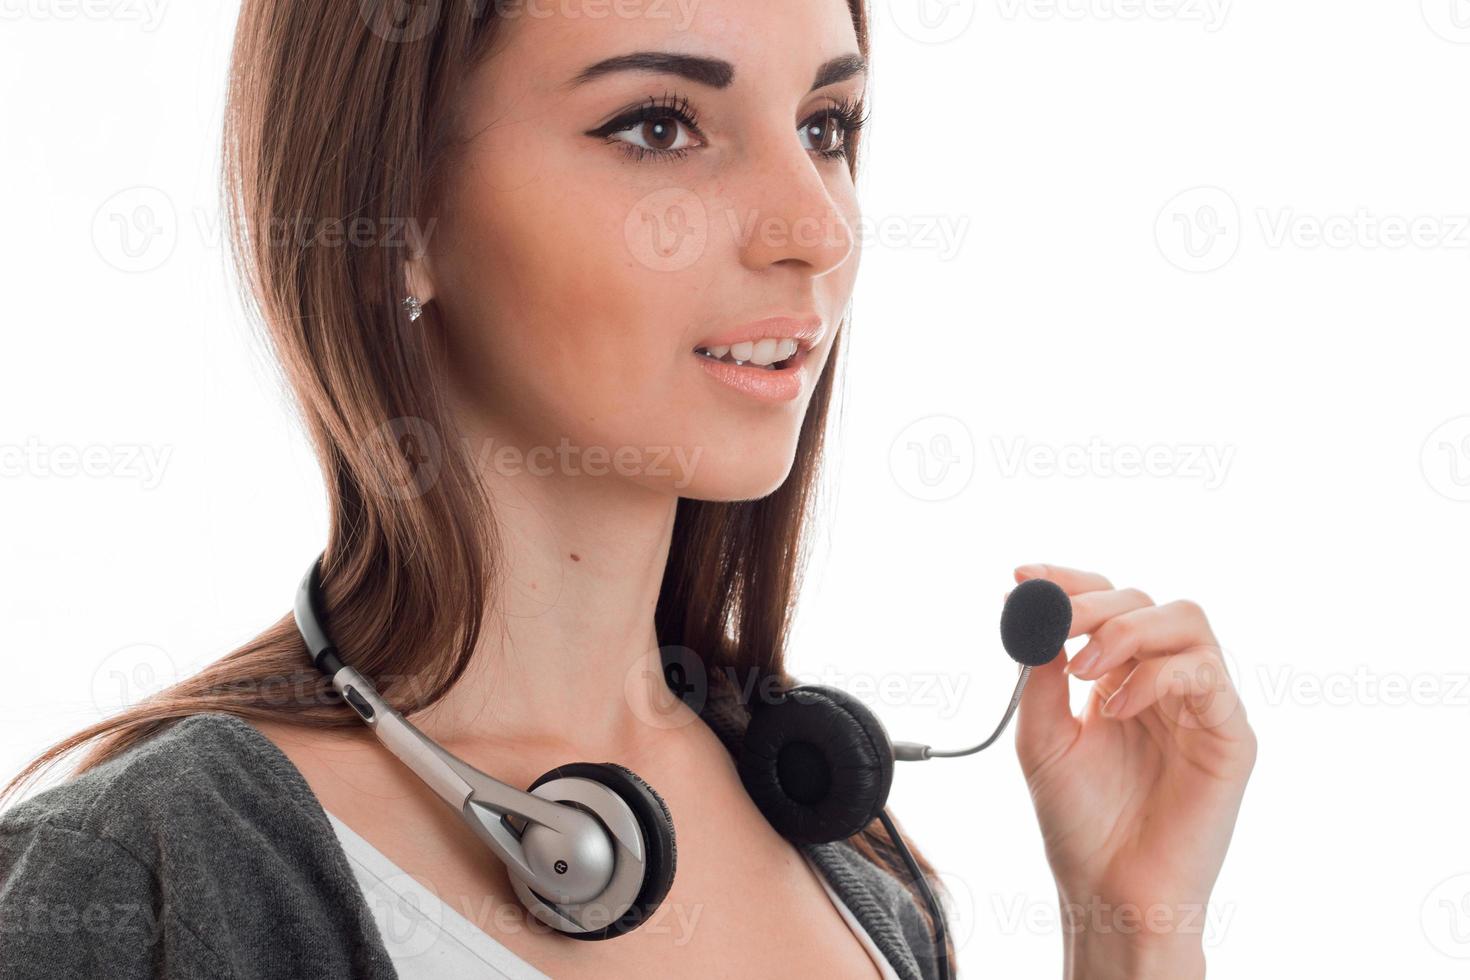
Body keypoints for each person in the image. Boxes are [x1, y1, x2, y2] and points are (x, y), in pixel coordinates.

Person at [0, 2, 1255, 977]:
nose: (812, 225)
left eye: (827, 125)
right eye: (660, 123)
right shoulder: (150, 874)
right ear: (399, 214)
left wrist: (1133, 934)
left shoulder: (855, 865)